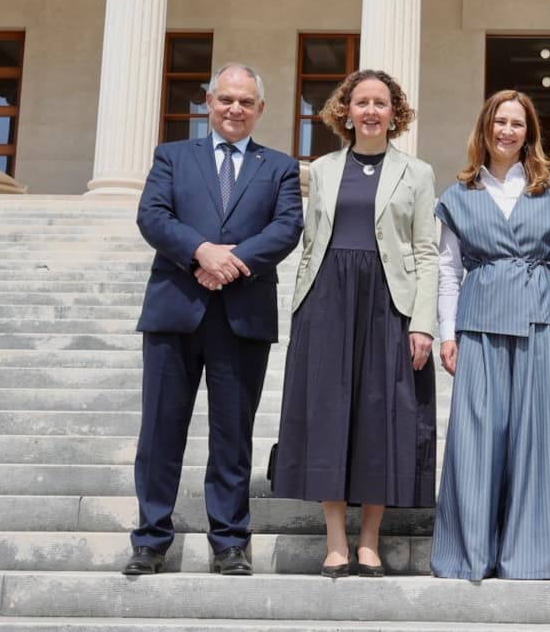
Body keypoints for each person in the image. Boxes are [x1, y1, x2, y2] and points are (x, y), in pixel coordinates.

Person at [124, 63, 304, 577]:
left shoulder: (280, 167)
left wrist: (231, 262)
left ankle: (229, 542)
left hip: (242, 316)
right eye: (226, 99)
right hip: (175, 312)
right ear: (208, 101)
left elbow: (287, 227)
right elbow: (153, 215)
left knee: (232, 436)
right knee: (160, 433)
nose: (234, 109)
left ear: (260, 109)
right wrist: (200, 251)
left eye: (246, 102)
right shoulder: (172, 156)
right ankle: (151, 540)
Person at [272, 69, 438, 578]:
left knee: (381, 417)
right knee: (328, 415)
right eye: (361, 102)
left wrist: (422, 322)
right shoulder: (321, 169)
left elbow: (427, 251)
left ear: (395, 113)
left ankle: (369, 539)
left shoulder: (417, 172)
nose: (370, 111)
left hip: (389, 302)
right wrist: (300, 311)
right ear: (345, 111)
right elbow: (310, 243)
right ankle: (336, 541)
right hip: (328, 300)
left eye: (380, 103)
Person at [430, 90, 550, 580]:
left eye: (517, 123)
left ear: (528, 133)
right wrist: (446, 333)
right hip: (478, 320)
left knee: (537, 437)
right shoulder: (458, 195)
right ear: (485, 128)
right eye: (500, 121)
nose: (507, 131)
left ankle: (533, 555)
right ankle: (469, 552)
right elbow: (447, 271)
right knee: (475, 438)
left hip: (539, 320)